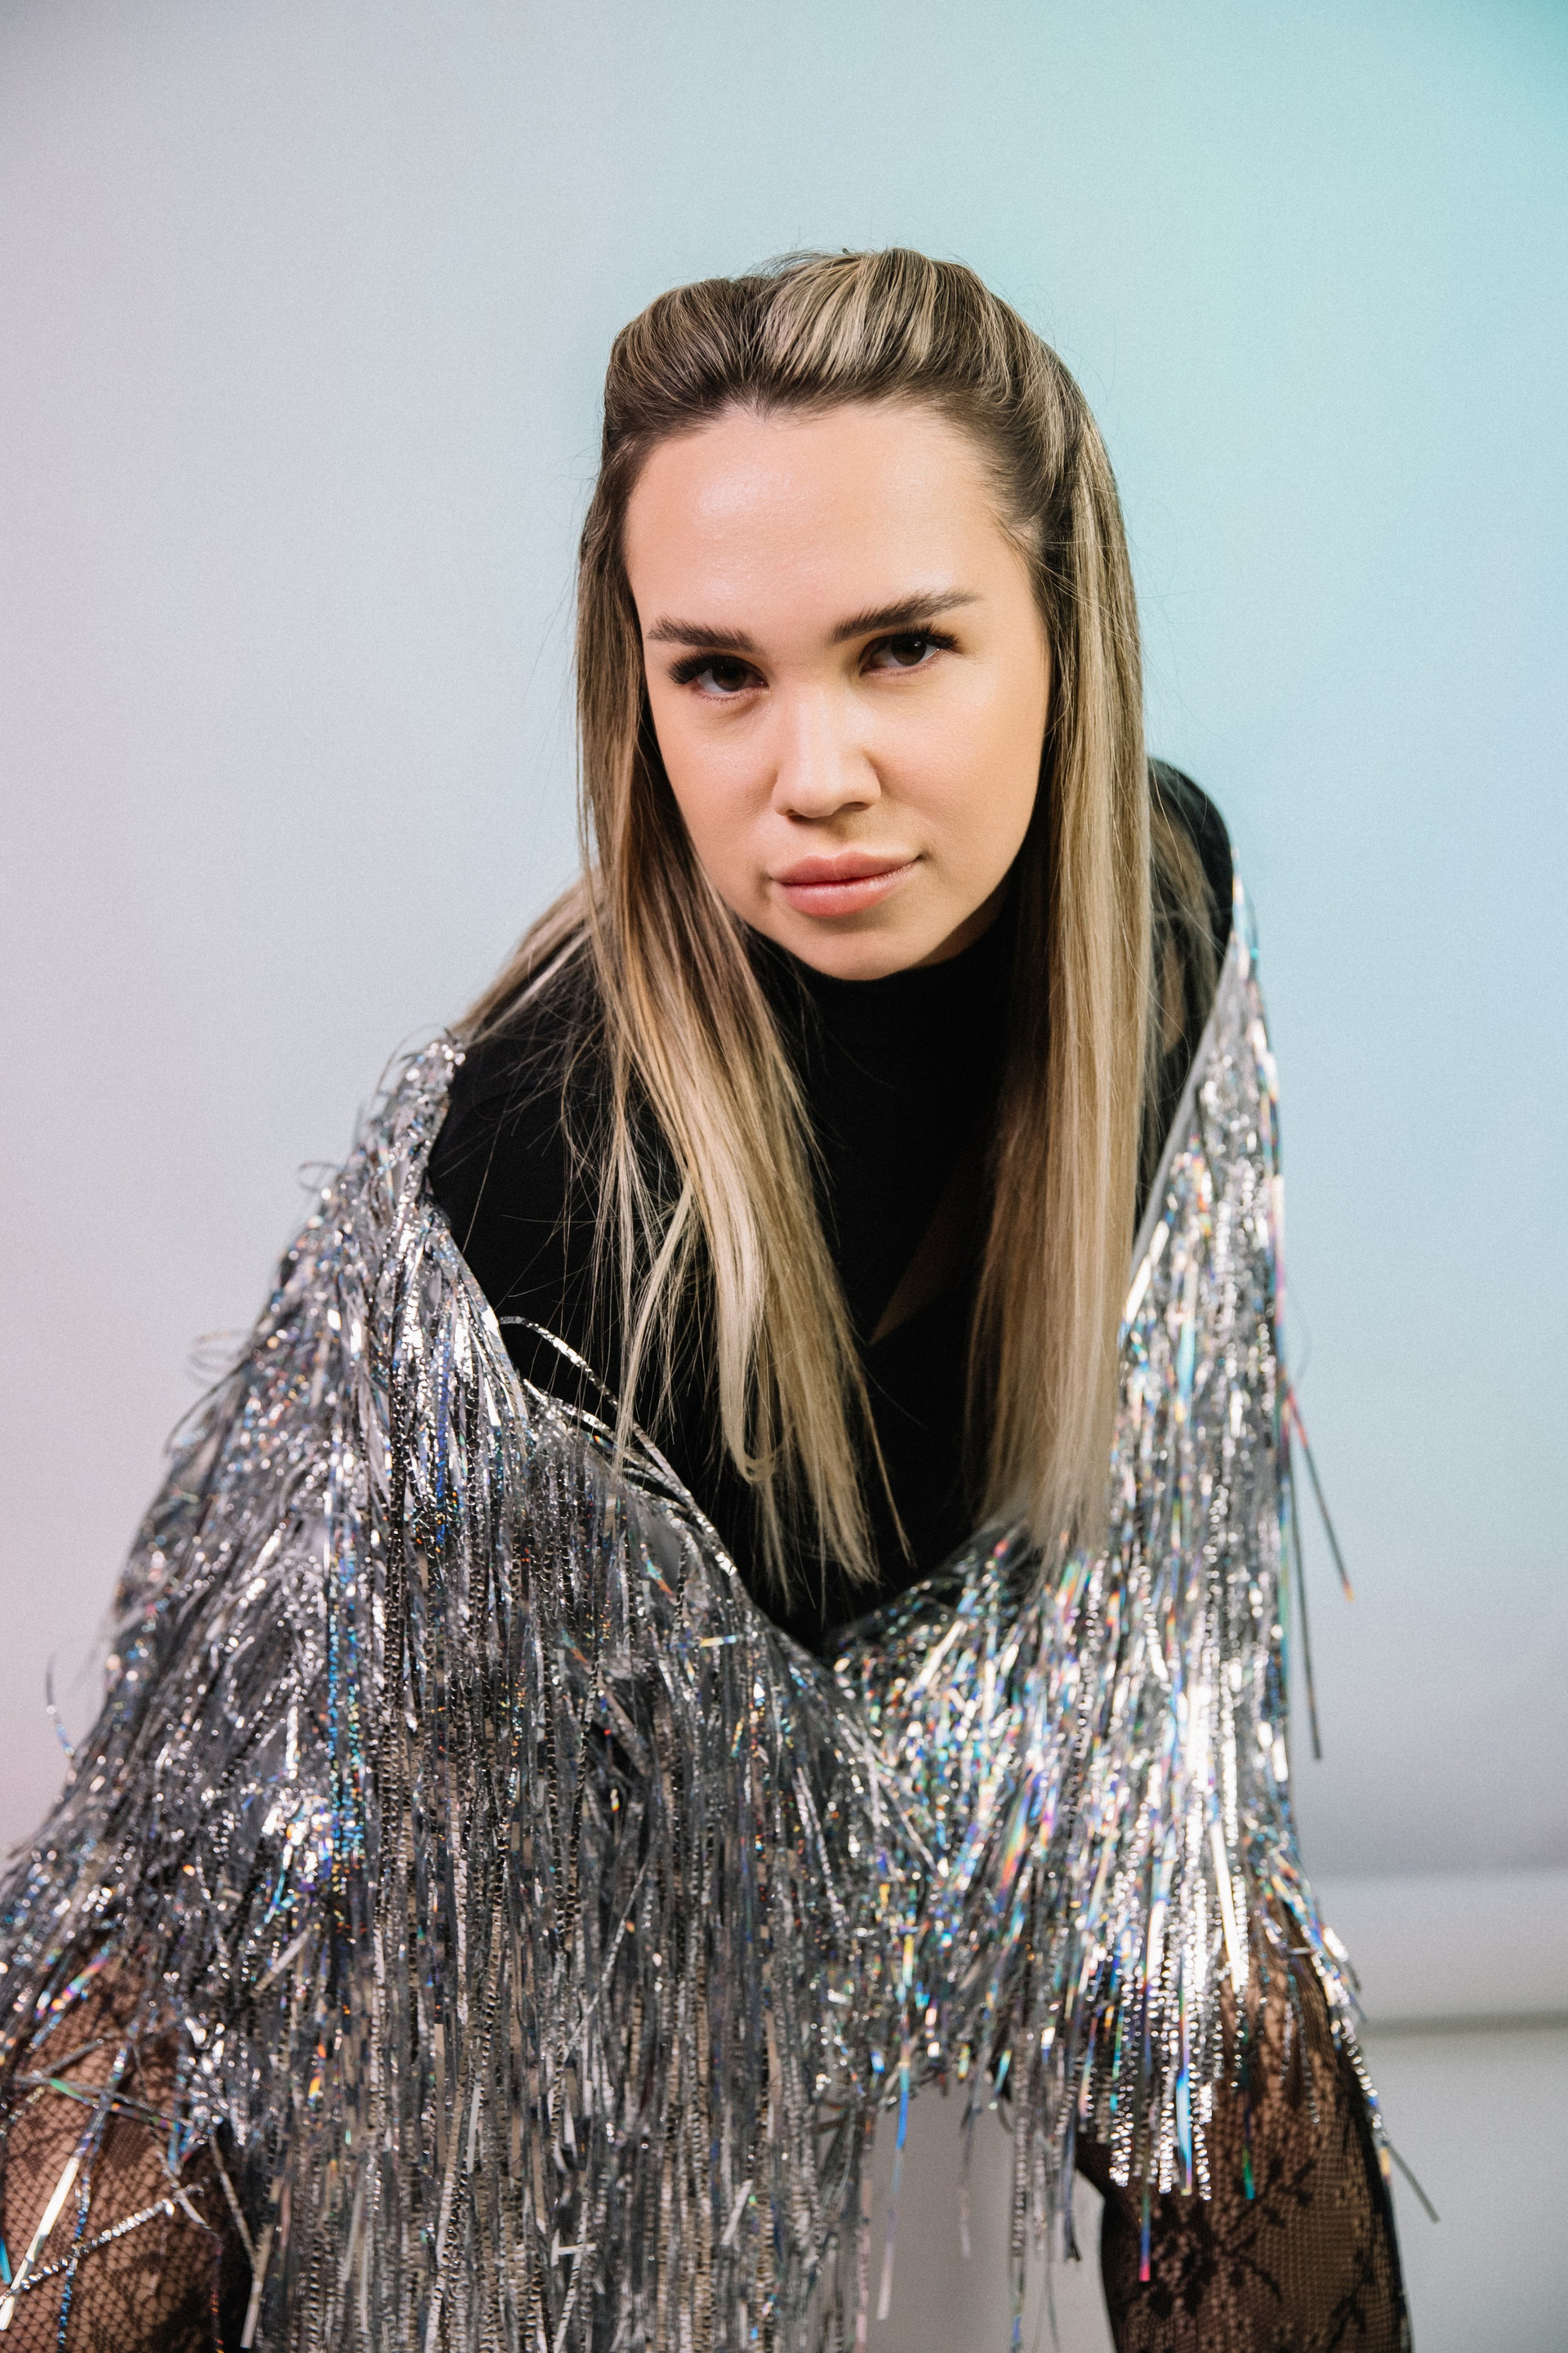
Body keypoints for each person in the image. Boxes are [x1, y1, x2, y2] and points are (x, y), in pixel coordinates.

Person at [0, 250, 1407, 2351]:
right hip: (451, 1803)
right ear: (636, 683)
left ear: (1065, 630)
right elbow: (526, 1937)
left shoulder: (1163, 914)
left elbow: (1141, 1643)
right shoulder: (553, 1181)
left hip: (946, 1698)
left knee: (1223, 1987)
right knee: (106, 2180)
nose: (811, 774)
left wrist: (1120, 1853)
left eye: (903, 647)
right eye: (720, 674)